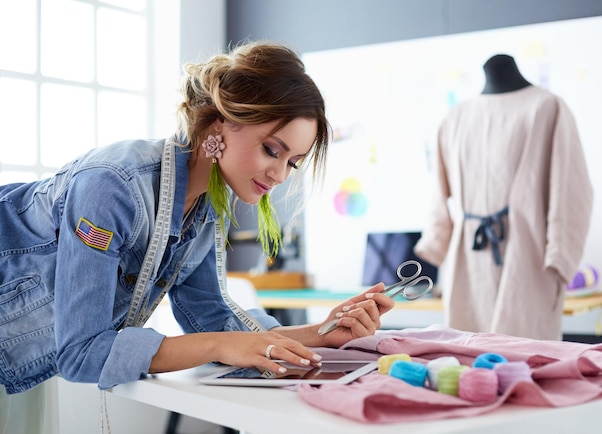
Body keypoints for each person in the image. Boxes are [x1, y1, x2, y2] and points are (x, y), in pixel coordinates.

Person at [0, 41, 395, 402]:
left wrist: (322, 331)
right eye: (272, 150)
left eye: (292, 162)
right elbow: (81, 353)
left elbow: (214, 320)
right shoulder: (111, 188)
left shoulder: (202, 213)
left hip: (24, 366)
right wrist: (218, 345)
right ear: (219, 123)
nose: (280, 175)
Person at [414, 53, 593, 341]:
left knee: (528, 355)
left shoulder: (547, 107)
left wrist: (560, 255)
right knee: (469, 354)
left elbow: (571, 187)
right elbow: (439, 188)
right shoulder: (455, 117)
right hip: (469, 256)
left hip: (529, 256)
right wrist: (438, 242)